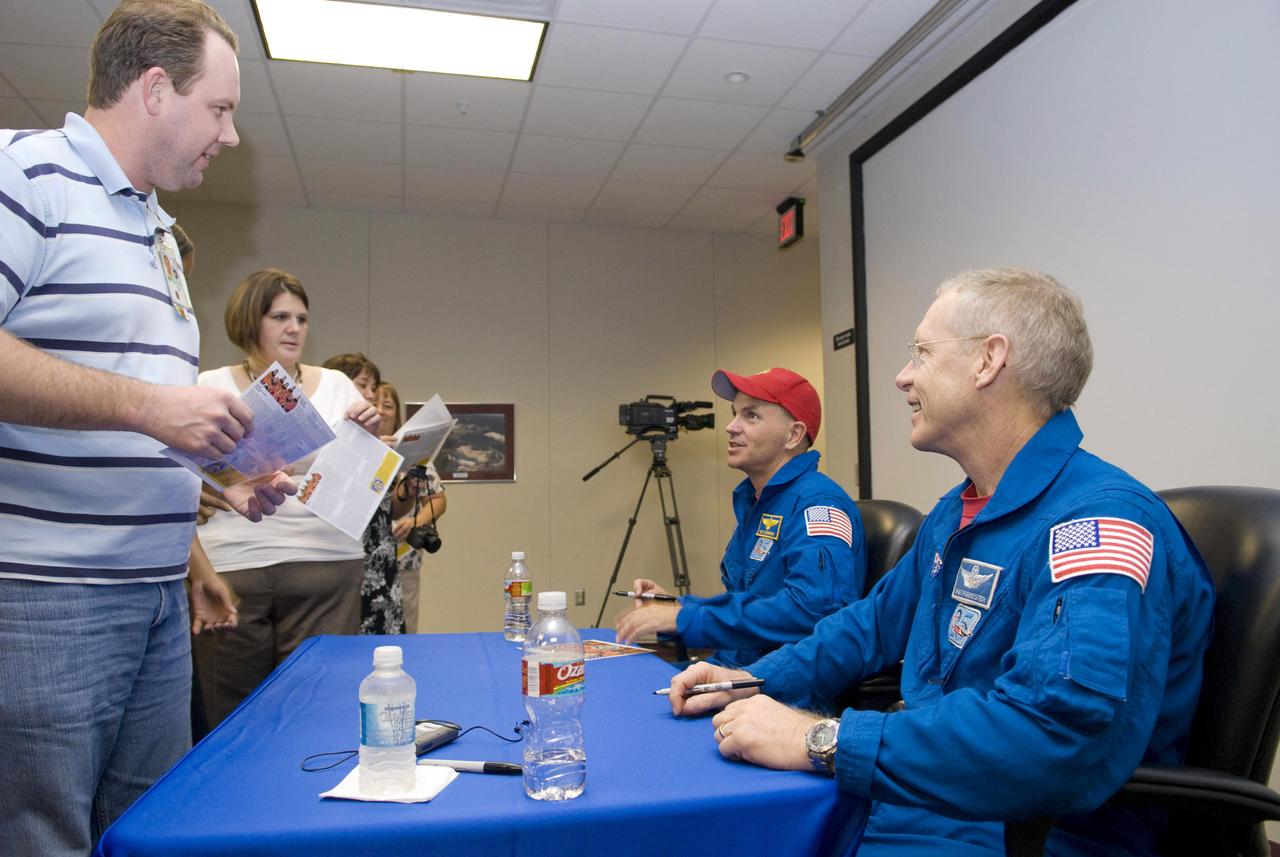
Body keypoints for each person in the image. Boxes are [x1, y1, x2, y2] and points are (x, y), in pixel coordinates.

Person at [667, 269, 1215, 856]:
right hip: (929, 799)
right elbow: (870, 625)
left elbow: (1054, 734)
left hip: (1021, 832)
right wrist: (751, 682)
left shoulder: (1097, 523)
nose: (903, 376)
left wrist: (820, 737)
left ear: (988, 361)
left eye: (923, 353)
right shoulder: (960, 510)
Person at [0, 4, 295, 855]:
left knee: (150, 832)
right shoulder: (30, 178)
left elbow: (131, 408)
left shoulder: (158, 230)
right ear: (157, 90)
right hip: (49, 600)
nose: (231, 136)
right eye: (222, 109)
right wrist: (145, 405)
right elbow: (136, 402)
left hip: (157, 597)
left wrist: (219, 485)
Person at [192, 269, 380, 727]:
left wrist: (369, 442)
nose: (294, 327)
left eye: (301, 317)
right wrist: (198, 571)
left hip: (325, 563)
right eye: (280, 316)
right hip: (234, 568)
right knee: (232, 720)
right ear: (248, 321)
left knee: (317, 715)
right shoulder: (208, 386)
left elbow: (365, 488)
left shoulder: (337, 385)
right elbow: (181, 488)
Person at [616, 367, 866, 668]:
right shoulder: (758, 501)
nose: (731, 427)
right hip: (734, 667)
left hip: (776, 688)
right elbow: (751, 602)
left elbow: (814, 613)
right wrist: (674, 607)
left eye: (751, 416)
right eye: (735, 414)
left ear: (793, 435)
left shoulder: (817, 505)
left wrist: (687, 617)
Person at [375, 382, 447, 635]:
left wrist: (417, 521)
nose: (381, 411)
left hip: (404, 558)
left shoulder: (413, 454)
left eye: (388, 405)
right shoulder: (356, 452)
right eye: (375, 404)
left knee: (405, 629)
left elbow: (438, 499)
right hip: (359, 563)